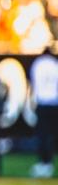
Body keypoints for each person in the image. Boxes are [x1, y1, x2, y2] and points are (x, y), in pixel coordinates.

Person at [29, 45, 58, 178]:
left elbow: (33, 83)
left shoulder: (38, 63)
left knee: (43, 135)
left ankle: (43, 162)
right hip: (54, 103)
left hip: (42, 103)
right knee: (51, 135)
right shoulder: (54, 64)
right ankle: (48, 162)